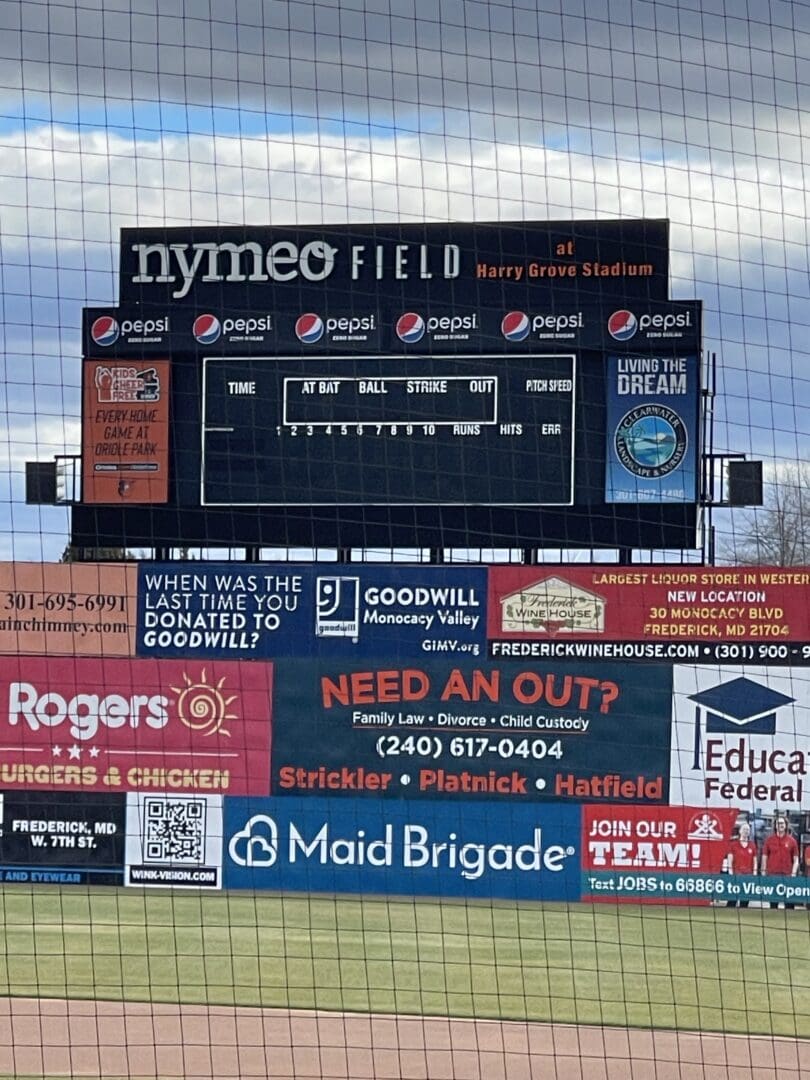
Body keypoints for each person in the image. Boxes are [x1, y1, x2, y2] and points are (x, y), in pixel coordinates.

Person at [761, 815, 799, 909]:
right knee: (773, 903)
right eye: (778, 823)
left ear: (786, 825)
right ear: (775, 826)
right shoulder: (769, 840)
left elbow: (796, 859)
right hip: (772, 874)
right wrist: (763, 871)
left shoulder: (792, 841)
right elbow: (764, 857)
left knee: (789, 903)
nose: (780, 825)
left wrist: (793, 873)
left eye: (782, 823)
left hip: (787, 875)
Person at [726, 821, 757, 908]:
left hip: (748, 875)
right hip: (736, 875)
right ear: (740, 831)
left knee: (745, 900)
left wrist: (754, 874)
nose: (746, 831)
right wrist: (731, 874)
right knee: (732, 899)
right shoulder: (733, 845)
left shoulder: (752, 845)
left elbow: (754, 861)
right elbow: (730, 861)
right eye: (744, 829)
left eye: (748, 830)